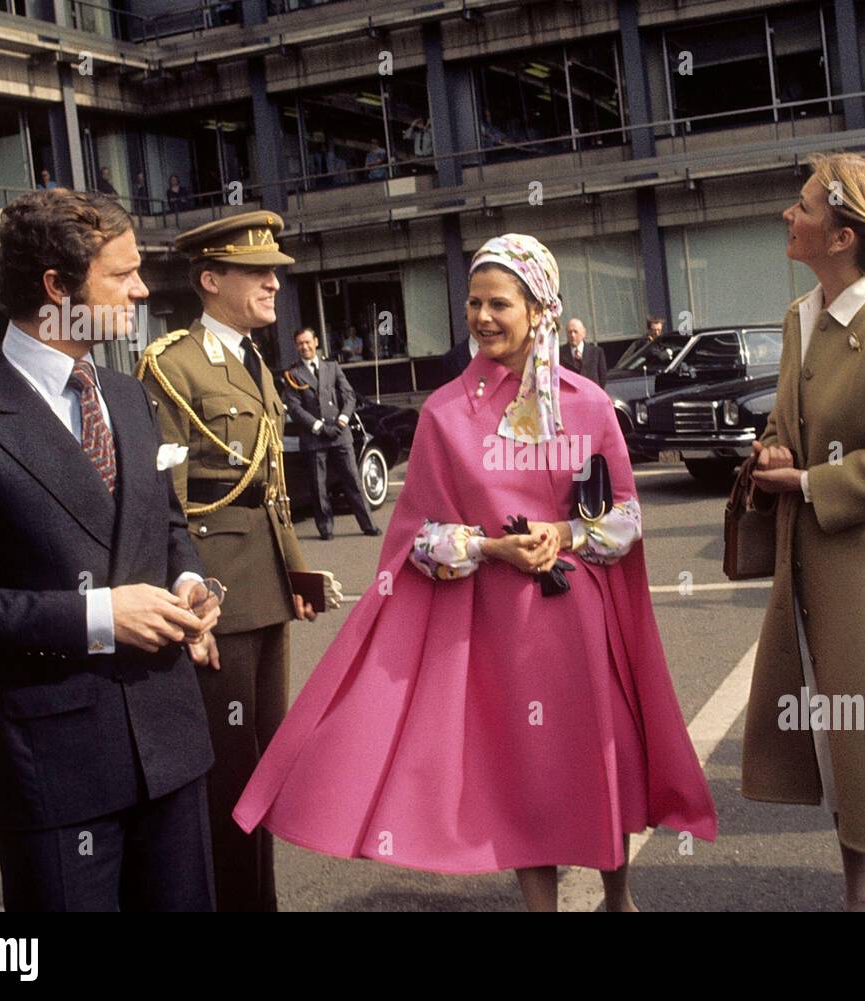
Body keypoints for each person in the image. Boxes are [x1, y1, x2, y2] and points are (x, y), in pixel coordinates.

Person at [233, 233, 717, 911]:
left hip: (582, 623)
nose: (481, 317)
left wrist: (565, 532)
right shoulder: (444, 413)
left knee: (597, 761)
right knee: (526, 775)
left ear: (539, 309)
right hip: (501, 632)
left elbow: (628, 519)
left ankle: (620, 896)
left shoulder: (587, 405)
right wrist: (492, 548)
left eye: (499, 304)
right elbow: (416, 542)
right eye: (472, 303)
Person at [0, 189, 220, 911]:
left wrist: (192, 580)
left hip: (169, 747)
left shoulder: (127, 396)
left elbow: (164, 525)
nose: (142, 289)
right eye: (123, 274)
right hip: (53, 773)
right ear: (58, 288)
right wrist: (99, 615)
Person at [741, 153, 865, 912]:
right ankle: (862, 895)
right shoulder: (800, 317)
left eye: (802, 206)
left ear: (842, 233)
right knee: (835, 735)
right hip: (810, 563)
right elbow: (785, 421)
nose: (788, 216)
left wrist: (807, 482)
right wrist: (773, 449)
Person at [135, 210, 337, 912]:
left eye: (275, 272)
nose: (273, 283)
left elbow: (272, 487)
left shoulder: (252, 361)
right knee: (229, 776)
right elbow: (168, 498)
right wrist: (191, 601)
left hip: (267, 589)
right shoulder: (173, 364)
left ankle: (258, 899)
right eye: (257, 272)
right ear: (210, 278)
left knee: (266, 763)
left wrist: (296, 571)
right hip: (219, 596)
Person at [282, 327, 380, 540]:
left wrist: (343, 420)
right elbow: (294, 407)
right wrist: (318, 426)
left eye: (308, 342)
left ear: (316, 342)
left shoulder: (331, 366)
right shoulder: (293, 374)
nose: (304, 347)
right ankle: (325, 529)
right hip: (314, 438)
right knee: (318, 487)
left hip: (340, 434)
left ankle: (368, 524)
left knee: (353, 481)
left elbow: (349, 395)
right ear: (296, 346)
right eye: (300, 343)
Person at [559, 317, 607, 388]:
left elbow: (603, 378)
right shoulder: (560, 353)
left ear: (583, 333)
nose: (572, 335)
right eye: (570, 332)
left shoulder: (596, 353)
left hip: (592, 395)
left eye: (575, 332)